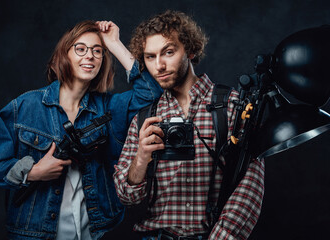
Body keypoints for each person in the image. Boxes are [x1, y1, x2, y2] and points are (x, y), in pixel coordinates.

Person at [0, 20, 162, 240]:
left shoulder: (109, 108)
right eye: (80, 49)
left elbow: (151, 93)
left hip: (94, 232)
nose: (89, 56)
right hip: (32, 234)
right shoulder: (25, 107)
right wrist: (32, 172)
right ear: (64, 55)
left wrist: (115, 43)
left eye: (97, 51)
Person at [113, 10, 265, 239]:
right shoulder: (144, 119)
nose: (159, 66)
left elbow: (251, 184)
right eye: (150, 56)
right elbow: (127, 197)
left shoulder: (233, 107)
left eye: (169, 52)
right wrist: (141, 158)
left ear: (191, 50)